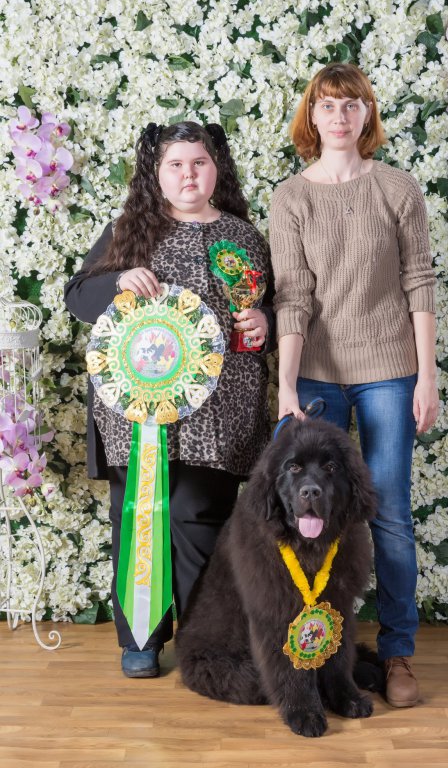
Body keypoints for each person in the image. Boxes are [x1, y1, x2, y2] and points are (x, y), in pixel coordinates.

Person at [65, 121, 275, 678]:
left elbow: (275, 307)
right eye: (176, 165)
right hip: (134, 411)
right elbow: (78, 298)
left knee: (195, 515)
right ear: (156, 175)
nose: (188, 174)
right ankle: (142, 639)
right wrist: (117, 281)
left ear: (216, 171)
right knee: (136, 513)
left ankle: (210, 641)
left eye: (199, 163)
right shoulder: (128, 233)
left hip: (221, 412)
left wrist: (266, 322)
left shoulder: (244, 236)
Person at [269, 63, 438, 708]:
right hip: (316, 376)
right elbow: (293, 297)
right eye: (327, 106)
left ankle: (396, 655)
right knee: (310, 517)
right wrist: (286, 386)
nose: (339, 116)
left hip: (391, 372)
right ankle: (316, 650)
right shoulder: (291, 198)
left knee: (389, 513)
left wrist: (428, 374)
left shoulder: (398, 189)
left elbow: (419, 282)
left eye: (352, 105)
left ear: (368, 116)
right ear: (311, 118)